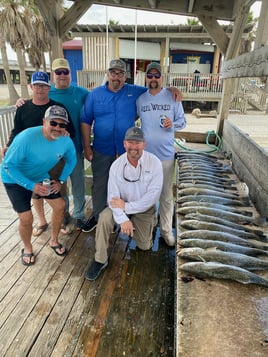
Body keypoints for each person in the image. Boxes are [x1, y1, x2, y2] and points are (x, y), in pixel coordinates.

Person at [80, 59, 182, 233]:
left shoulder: (135, 92)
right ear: (108, 74)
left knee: (129, 185)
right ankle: (100, 218)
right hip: (102, 149)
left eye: (120, 73)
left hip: (128, 151)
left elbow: (155, 88)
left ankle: (127, 217)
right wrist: (87, 147)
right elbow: (85, 120)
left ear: (126, 76)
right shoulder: (95, 94)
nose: (116, 77)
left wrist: (172, 89)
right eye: (113, 73)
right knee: (99, 185)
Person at [17, 58, 89, 231]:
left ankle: (79, 215)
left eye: (65, 72)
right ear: (53, 75)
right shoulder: (49, 94)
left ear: (70, 74)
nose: (62, 75)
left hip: (74, 148)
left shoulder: (83, 93)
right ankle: (64, 214)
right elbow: (35, 103)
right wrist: (21, 102)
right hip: (52, 154)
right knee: (59, 185)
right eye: (58, 72)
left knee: (78, 183)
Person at [1, 105, 77, 265]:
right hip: (14, 178)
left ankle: (54, 240)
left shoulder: (65, 140)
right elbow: (8, 166)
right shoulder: (26, 137)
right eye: (53, 123)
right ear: (44, 121)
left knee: (60, 205)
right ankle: (27, 248)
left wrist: (61, 180)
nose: (57, 128)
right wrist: (31, 186)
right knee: (26, 218)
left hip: (39, 175)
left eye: (62, 125)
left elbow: (72, 160)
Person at [85, 127, 163, 281]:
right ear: (124, 144)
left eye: (138, 143)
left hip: (143, 208)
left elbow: (152, 197)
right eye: (130, 142)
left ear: (144, 144)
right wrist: (123, 218)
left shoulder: (155, 163)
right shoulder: (116, 166)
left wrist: (127, 208)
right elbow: (112, 199)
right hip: (120, 206)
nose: (134, 147)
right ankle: (100, 259)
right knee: (104, 218)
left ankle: (151, 222)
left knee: (144, 246)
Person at [2, 71, 75, 236]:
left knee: (57, 192)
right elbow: (17, 131)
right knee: (36, 193)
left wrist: (64, 140)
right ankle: (42, 221)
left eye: (44, 85)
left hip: (53, 158)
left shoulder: (58, 108)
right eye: (37, 85)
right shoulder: (23, 107)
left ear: (49, 88)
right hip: (29, 159)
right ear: (31, 86)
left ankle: (61, 219)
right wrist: (8, 146)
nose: (40, 89)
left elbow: (69, 131)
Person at [136, 62, 186, 247]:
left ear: (162, 78)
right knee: (147, 193)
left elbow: (183, 121)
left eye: (157, 76)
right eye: (150, 75)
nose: (153, 79)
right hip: (146, 156)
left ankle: (166, 231)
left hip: (166, 155)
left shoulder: (172, 97)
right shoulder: (140, 99)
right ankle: (149, 226)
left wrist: (172, 124)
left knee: (166, 196)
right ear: (146, 78)